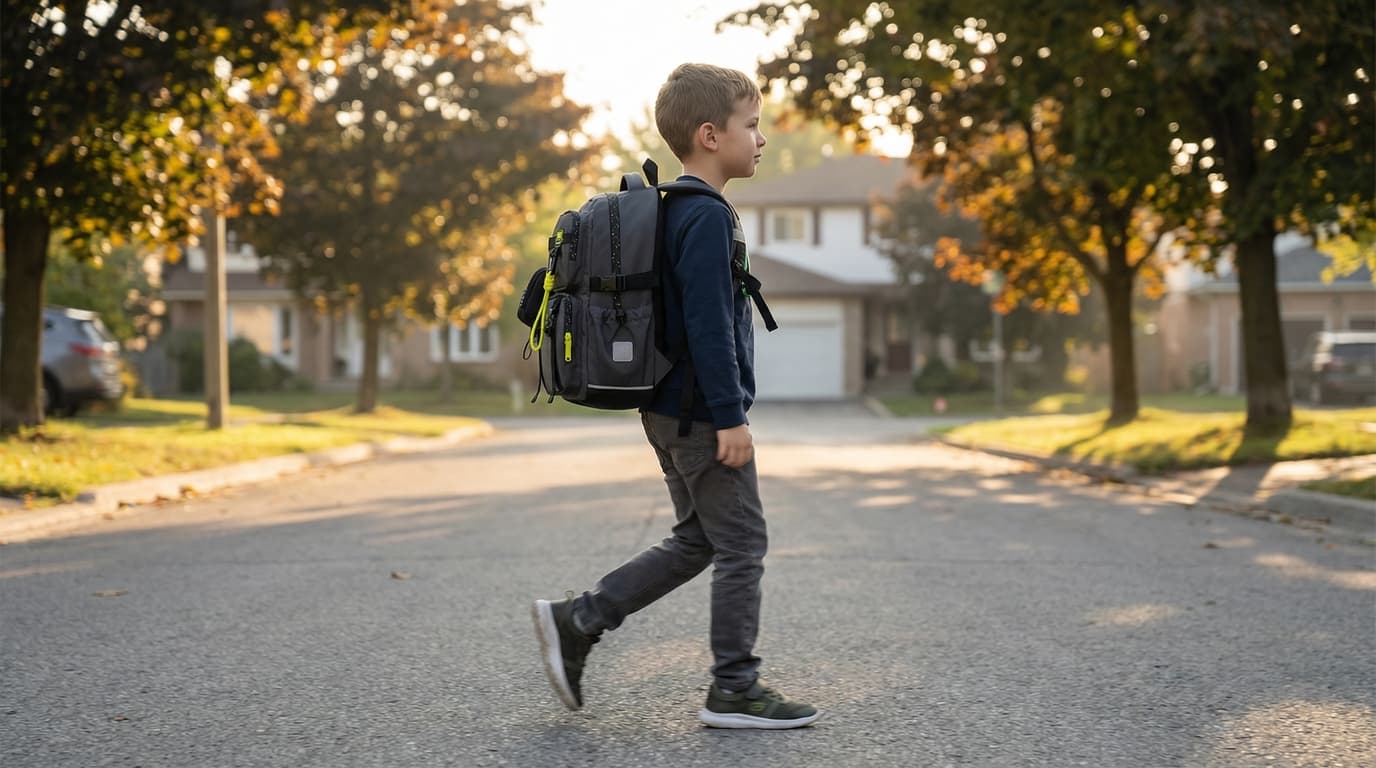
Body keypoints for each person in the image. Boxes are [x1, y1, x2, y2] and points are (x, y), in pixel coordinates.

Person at [531, 62, 819, 730]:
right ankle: (734, 689)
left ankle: (578, 620)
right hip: (696, 413)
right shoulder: (707, 218)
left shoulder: (676, 213)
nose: (763, 139)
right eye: (753, 126)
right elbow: (709, 327)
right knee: (742, 544)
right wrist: (731, 417)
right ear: (711, 135)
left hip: (667, 410)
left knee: (698, 540)